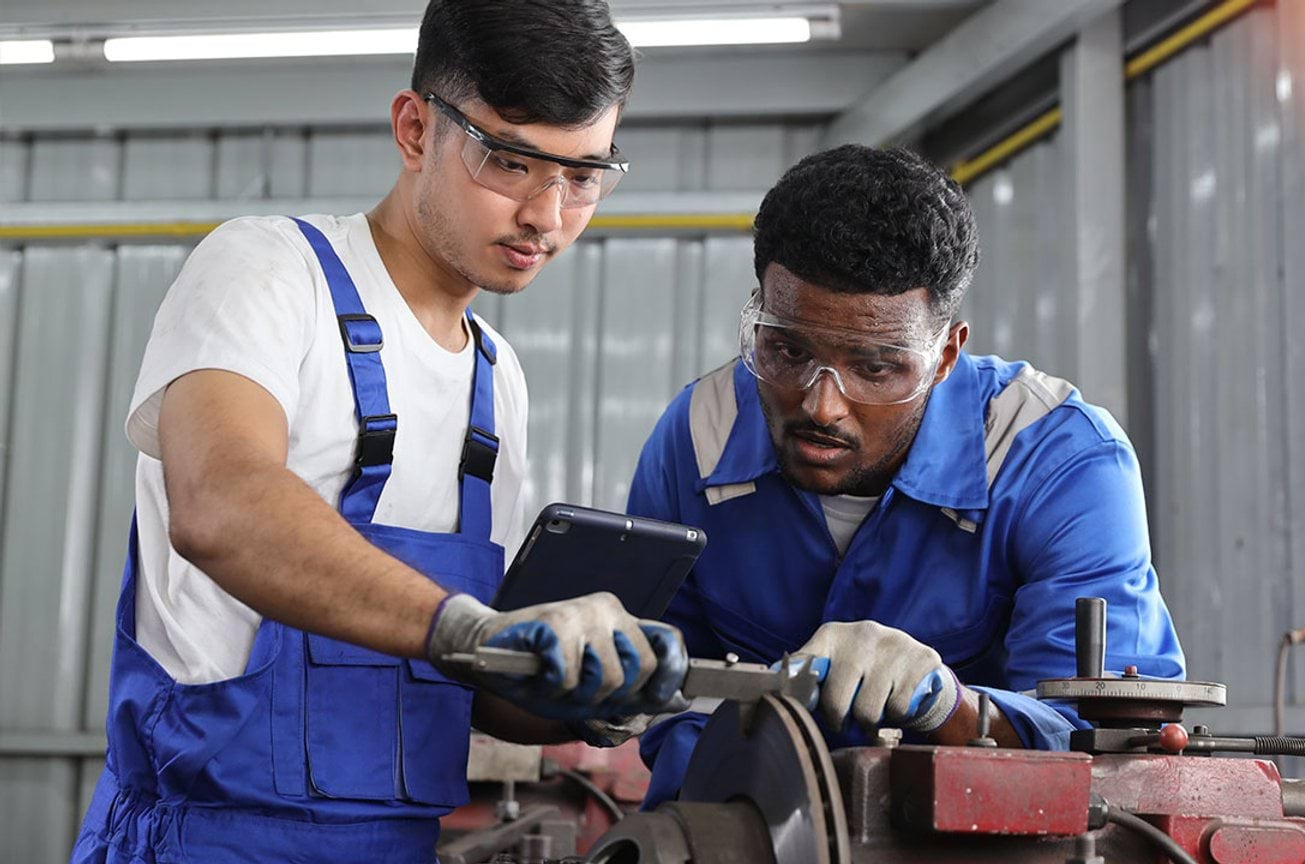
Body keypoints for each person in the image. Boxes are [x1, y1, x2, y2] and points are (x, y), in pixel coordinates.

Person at [70, 2, 684, 862]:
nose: (547, 215)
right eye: (511, 161)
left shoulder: (494, 380)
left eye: (582, 176)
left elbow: (470, 682)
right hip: (205, 839)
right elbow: (220, 504)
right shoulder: (269, 272)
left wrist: (584, 691)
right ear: (415, 129)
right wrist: (473, 629)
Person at [627, 144, 1185, 807]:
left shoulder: (1058, 461)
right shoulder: (697, 440)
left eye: (875, 367)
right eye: (787, 350)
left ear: (946, 354)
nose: (820, 404)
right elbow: (658, 699)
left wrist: (948, 709)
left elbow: (1113, 760)